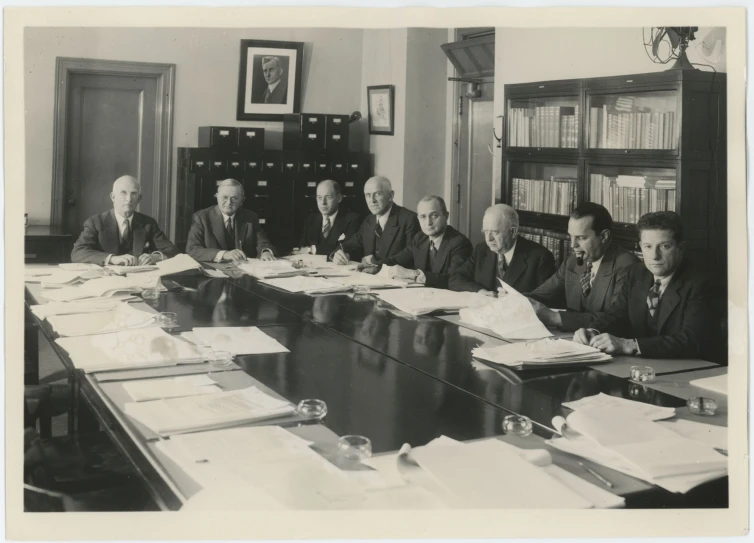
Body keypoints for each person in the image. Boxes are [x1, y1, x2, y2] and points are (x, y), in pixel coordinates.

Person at [573, 211, 713, 360]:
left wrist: (630, 345)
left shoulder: (701, 283)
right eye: (648, 246)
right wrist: (593, 331)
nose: (654, 255)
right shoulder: (636, 273)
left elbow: (692, 340)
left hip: (688, 371)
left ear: (681, 247)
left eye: (664, 246)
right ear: (640, 246)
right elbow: (617, 314)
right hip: (639, 368)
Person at [525, 202, 639, 331]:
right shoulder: (572, 261)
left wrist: (554, 318)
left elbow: (616, 320)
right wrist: (513, 299)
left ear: (603, 236)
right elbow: (542, 295)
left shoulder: (628, 266)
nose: (573, 245)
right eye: (571, 236)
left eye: (581, 238)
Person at [362, 195, 472, 289]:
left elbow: (453, 280)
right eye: (423, 217)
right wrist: (375, 265)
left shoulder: (459, 243)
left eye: (434, 216)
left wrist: (414, 274)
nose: (428, 222)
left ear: (446, 216)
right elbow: (398, 259)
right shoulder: (420, 238)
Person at [448, 204, 555, 295]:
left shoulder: (540, 257)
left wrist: (516, 300)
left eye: (495, 232)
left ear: (513, 232)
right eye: (485, 232)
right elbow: (455, 279)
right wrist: (480, 291)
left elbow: (548, 298)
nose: (489, 239)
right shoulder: (481, 250)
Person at [71, 175, 177, 265]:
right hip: (106, 280)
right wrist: (112, 258)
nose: (129, 199)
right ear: (113, 197)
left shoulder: (148, 223)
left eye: (133, 193)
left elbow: (171, 250)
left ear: (139, 198)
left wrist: (155, 257)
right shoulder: (95, 222)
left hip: (139, 280)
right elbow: (78, 252)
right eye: (123, 193)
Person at [331, 176, 420, 265]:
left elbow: (410, 255)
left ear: (391, 195)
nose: (372, 200)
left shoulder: (409, 219)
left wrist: (378, 264)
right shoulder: (369, 220)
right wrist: (337, 254)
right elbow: (351, 244)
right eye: (368, 195)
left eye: (377, 194)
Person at [186, 178, 276, 263]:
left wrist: (266, 252)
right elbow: (192, 250)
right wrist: (224, 254)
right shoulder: (201, 217)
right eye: (224, 197)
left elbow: (263, 242)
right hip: (215, 273)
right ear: (217, 197)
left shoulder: (251, 217)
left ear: (242, 201)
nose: (229, 202)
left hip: (243, 273)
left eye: (234, 198)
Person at [293, 179, 361, 256]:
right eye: (319, 197)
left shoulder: (352, 219)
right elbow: (302, 249)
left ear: (339, 198)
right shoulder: (311, 220)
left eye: (328, 197)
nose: (323, 203)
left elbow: (347, 248)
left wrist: (313, 249)